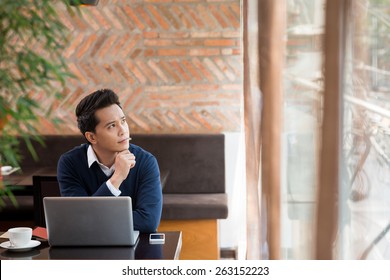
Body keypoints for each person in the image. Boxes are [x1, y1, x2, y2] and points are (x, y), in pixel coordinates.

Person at [57, 89, 162, 233]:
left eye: (123, 121)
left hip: (135, 250)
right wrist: (117, 178)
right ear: (92, 137)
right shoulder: (70, 164)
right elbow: (79, 219)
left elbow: (148, 221)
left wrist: (93, 218)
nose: (123, 130)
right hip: (88, 249)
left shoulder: (145, 161)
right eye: (112, 125)